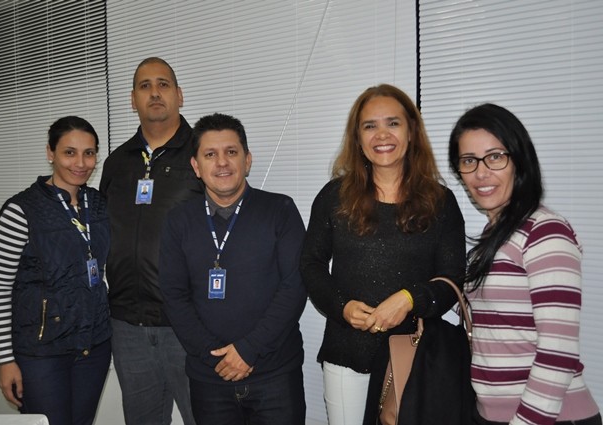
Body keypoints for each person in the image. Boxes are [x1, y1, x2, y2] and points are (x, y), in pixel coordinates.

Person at [300, 84, 467, 425]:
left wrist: (409, 299)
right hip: (347, 354)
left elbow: (453, 279)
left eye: (393, 123)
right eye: (369, 125)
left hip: (415, 357)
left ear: (411, 131)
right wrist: (341, 306)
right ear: (357, 138)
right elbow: (310, 264)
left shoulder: (440, 202)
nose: (382, 135)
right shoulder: (334, 197)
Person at [448, 103, 601, 425]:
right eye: (469, 160)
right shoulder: (495, 236)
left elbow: (557, 354)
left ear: (519, 160)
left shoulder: (545, 232)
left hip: (548, 418)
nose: (481, 173)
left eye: (495, 157)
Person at [159, 113, 307, 425]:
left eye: (231, 152)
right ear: (196, 166)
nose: (222, 163)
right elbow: (173, 295)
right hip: (209, 378)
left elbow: (295, 286)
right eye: (210, 154)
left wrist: (248, 350)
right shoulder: (178, 221)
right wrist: (216, 356)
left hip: (275, 377)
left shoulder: (280, 210)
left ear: (247, 160)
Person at [0, 116, 111, 425]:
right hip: (41, 353)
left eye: (89, 153)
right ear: (50, 153)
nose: (80, 163)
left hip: (93, 346)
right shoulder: (21, 210)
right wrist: (6, 360)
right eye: (70, 152)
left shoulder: (99, 205)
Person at [99, 57, 201, 425]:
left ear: (179, 95)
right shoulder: (116, 164)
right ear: (133, 99)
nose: (154, 92)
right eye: (145, 86)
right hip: (127, 326)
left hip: (188, 324)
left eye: (163, 84)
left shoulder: (203, 155)